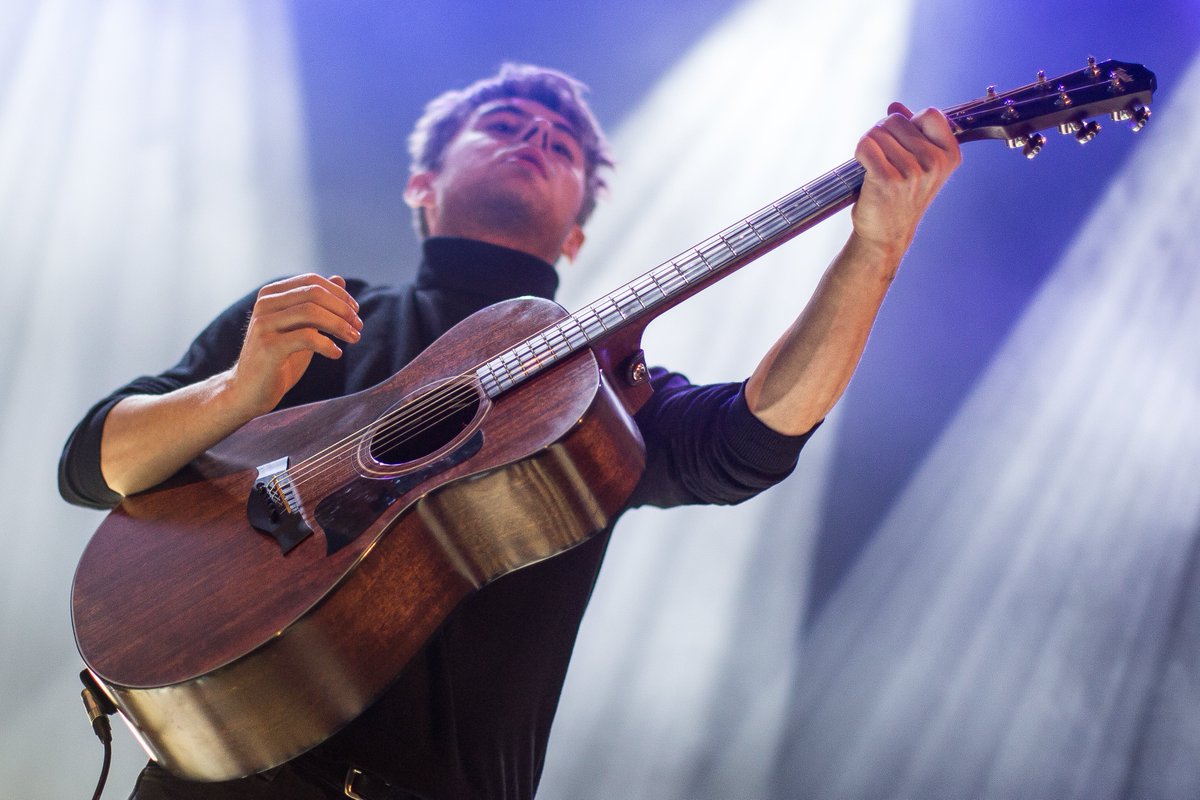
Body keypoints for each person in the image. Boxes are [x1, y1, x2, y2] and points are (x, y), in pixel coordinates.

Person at [59, 63, 960, 799]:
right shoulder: (313, 324)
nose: (535, 139)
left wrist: (873, 250)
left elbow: (752, 440)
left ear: (576, 236)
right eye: (504, 126)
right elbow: (95, 462)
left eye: (560, 144)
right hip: (218, 777)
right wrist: (236, 393)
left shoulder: (596, 392)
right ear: (423, 183)